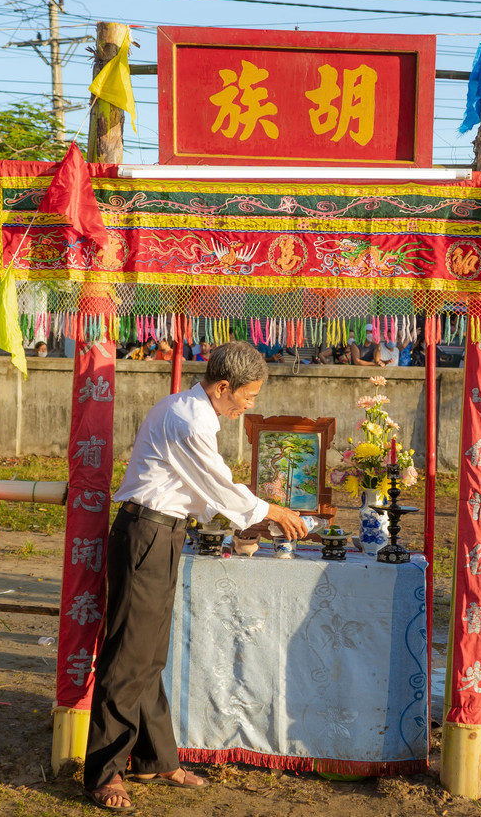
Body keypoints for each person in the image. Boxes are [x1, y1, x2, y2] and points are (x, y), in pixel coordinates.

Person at [83, 342, 307, 811]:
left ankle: (154, 757)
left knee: (149, 654)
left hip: (161, 534)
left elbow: (206, 489)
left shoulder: (192, 412)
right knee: (128, 657)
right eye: (247, 397)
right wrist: (268, 510)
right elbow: (217, 483)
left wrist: (250, 515)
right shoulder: (187, 418)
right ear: (223, 387)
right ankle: (105, 772)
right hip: (147, 533)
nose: (249, 406)